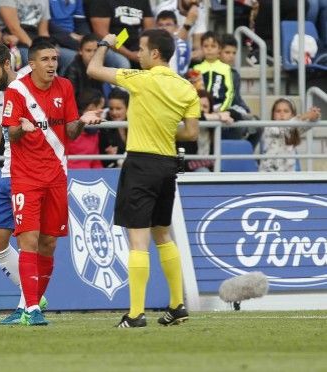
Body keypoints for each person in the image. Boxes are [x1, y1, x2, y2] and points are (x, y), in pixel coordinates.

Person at [87, 28, 200, 327]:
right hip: (167, 166)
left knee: (138, 241)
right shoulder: (187, 88)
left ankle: (136, 314)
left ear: (155, 54)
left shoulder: (141, 79)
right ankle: (177, 305)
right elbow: (190, 133)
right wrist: (163, 128)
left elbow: (93, 68)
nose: (137, 53)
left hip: (140, 164)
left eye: (142, 49)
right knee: (163, 233)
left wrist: (104, 44)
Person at [1, 39, 101, 326]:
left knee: (48, 244)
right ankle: (33, 309)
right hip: (26, 177)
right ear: (31, 64)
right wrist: (22, 127)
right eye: (45, 59)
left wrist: (83, 120)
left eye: (54, 59)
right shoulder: (16, 91)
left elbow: (69, 130)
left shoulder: (65, 87)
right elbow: (11, 135)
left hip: (57, 175)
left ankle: (27, 306)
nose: (51, 64)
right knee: (28, 240)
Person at [0, 41, 44, 325]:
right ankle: (31, 296)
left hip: (30, 174)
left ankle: (30, 302)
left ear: (6, 64)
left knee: (29, 241)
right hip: (7, 173)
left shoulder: (30, 86)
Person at [260, 98, 322, 172]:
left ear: (292, 115)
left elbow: (308, 125)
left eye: (286, 111)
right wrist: (303, 117)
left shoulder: (293, 128)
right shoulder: (269, 128)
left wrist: (315, 116)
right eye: (278, 111)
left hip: (289, 175)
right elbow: (283, 129)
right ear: (273, 115)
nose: (282, 114)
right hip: (268, 176)